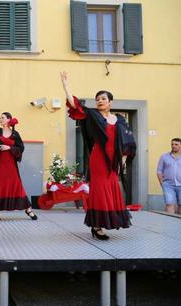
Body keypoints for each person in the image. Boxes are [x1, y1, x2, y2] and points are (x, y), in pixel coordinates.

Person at [60, 71, 136, 240]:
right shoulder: (93, 116)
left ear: (110, 102)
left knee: (112, 187)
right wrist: (66, 87)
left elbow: (127, 139)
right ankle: (96, 226)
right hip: (99, 159)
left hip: (113, 160)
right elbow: (76, 106)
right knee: (100, 189)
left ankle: (105, 222)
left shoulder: (119, 120)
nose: (100, 101)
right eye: (97, 99)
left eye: (103, 98)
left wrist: (123, 157)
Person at [0, 112, 37, 221]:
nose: (0, 119)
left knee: (16, 184)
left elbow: (21, 148)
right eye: (0, 117)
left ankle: (28, 209)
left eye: (3, 118)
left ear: (8, 119)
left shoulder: (15, 134)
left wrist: (9, 148)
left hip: (10, 163)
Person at [157, 138, 181, 214]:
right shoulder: (164, 157)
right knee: (169, 204)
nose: (173, 146)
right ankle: (170, 223)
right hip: (168, 185)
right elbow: (159, 171)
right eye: (172, 144)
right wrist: (162, 183)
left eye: (176, 144)